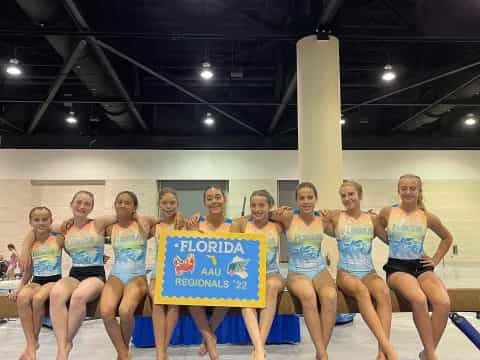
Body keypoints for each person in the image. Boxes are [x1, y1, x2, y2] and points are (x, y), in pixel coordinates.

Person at [376, 174, 453, 360]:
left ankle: (427, 353)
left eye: (412, 188)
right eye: (404, 188)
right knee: (418, 299)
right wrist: (390, 241)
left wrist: (434, 259)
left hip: (421, 266)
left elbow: (447, 237)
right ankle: (432, 355)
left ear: (419, 191)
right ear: (398, 190)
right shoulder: (388, 212)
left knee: (443, 303)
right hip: (397, 268)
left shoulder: (427, 217)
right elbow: (377, 225)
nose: (408, 192)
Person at [324, 181, 397, 360]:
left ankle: (381, 353)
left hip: (368, 271)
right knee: (362, 292)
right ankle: (390, 350)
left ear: (360, 195)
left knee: (384, 294)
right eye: (343, 195)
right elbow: (306, 222)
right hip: (346, 272)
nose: (347, 198)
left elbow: (390, 240)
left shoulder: (371, 219)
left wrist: (390, 220)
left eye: (351, 194)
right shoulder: (335, 217)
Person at [270, 182, 337, 360]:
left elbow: (342, 231)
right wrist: (274, 211)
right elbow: (259, 215)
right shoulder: (288, 218)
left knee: (330, 296)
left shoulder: (321, 219)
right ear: (296, 200)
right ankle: (322, 353)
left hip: (319, 268)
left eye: (310, 197)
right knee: (308, 296)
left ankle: (321, 351)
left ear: (316, 199)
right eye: (302, 198)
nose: (306, 201)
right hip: (297, 270)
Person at [230, 190, 285, 360]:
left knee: (272, 286)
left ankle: (258, 347)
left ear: (270, 206)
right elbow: (230, 251)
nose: (257, 209)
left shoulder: (277, 225)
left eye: (262, 205)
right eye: (253, 205)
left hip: (271, 273)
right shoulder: (243, 226)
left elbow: (297, 215)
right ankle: (259, 350)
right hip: (249, 274)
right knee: (246, 297)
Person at [99, 191, 152, 360]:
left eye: (127, 203)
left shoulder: (144, 222)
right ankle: (122, 352)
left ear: (134, 207)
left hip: (137, 275)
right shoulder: (110, 227)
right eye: (119, 202)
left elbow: (152, 225)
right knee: (106, 311)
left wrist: (137, 215)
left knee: (125, 310)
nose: (122, 205)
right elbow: (90, 225)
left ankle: (123, 350)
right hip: (116, 274)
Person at [9, 206, 63, 360]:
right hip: (37, 280)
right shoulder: (31, 244)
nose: (41, 223)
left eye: (45, 219)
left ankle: (35, 340)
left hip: (54, 280)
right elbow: (28, 271)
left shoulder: (57, 239)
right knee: (23, 298)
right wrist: (19, 288)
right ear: (30, 222)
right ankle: (31, 342)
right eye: (37, 220)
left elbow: (74, 248)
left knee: (39, 299)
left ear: (51, 221)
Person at [187, 186, 232, 360]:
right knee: (189, 295)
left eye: (218, 197)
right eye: (210, 198)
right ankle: (210, 340)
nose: (214, 201)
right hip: (200, 276)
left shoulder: (233, 225)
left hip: (223, 277)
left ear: (225, 199)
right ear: (204, 203)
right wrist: (191, 233)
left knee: (229, 292)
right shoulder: (195, 224)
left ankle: (208, 336)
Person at [149, 188, 185, 360]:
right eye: (164, 203)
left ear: (178, 204)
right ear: (159, 205)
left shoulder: (184, 223)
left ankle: (162, 350)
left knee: (173, 303)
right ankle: (160, 351)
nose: (169, 206)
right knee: (156, 301)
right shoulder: (155, 225)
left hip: (178, 271)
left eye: (172, 203)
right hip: (158, 270)